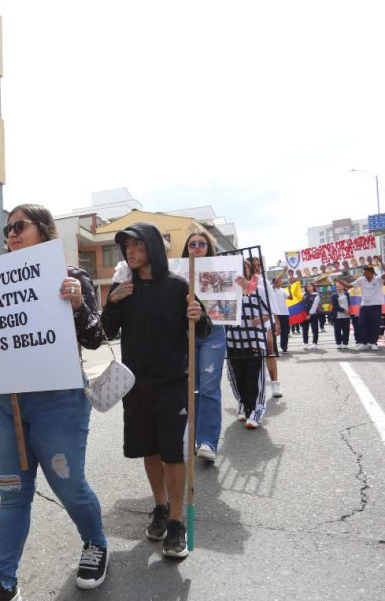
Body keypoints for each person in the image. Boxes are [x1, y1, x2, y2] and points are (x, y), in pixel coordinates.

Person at [0, 206, 110, 601]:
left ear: (44, 232)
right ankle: (3, 582)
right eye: (7, 229)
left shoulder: (70, 275)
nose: (11, 234)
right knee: (12, 493)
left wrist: (78, 304)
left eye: (20, 227)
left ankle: (96, 543)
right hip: (7, 404)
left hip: (59, 401)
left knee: (69, 484)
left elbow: (97, 337)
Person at [101, 222, 204, 559]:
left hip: (172, 383)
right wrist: (113, 301)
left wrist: (198, 316)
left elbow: (202, 328)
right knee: (149, 450)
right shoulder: (124, 287)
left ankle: (176, 522)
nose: (130, 252)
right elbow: (104, 332)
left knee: (173, 453)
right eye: (126, 247)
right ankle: (160, 507)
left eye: (137, 246)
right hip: (135, 386)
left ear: (153, 248)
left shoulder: (177, 286)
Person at [181, 231, 227, 464]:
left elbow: (230, 303)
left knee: (209, 387)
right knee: (193, 390)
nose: (196, 247)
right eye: (192, 244)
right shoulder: (178, 273)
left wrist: (239, 286)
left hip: (213, 333)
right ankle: (196, 438)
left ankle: (208, 441)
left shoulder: (222, 271)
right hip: (187, 334)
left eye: (201, 244)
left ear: (209, 248)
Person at [226, 260, 271, 429]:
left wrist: (260, 319)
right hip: (233, 340)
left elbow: (269, 311)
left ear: (248, 269)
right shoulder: (227, 289)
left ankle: (256, 411)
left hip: (254, 339)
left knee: (254, 377)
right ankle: (243, 405)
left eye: (243, 266)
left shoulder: (259, 288)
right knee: (237, 377)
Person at [342, 265, 385, 350]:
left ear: (371, 273)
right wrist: (339, 281)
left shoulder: (378, 279)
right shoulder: (361, 280)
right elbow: (348, 286)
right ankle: (364, 343)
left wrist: (381, 262)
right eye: (363, 273)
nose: (364, 275)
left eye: (365, 273)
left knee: (374, 325)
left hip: (376, 305)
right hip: (364, 305)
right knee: (361, 324)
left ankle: (373, 342)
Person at [271, 275, 291, 354]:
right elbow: (276, 281)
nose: (281, 282)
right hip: (275, 313)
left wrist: (290, 290)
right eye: (280, 281)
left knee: (285, 331)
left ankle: (284, 347)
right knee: (274, 331)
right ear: (275, 282)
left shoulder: (283, 290)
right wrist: (283, 272)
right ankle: (274, 348)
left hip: (285, 313)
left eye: (282, 281)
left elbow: (290, 298)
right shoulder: (272, 289)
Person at [331, 280, 352, 348]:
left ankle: (345, 343)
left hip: (347, 315)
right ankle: (338, 343)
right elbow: (335, 305)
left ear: (343, 286)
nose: (338, 287)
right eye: (337, 286)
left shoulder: (348, 294)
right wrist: (343, 310)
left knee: (346, 330)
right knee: (337, 330)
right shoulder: (334, 295)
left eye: (339, 285)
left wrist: (349, 311)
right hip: (337, 315)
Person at [301, 282, 320, 349]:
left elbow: (314, 306)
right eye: (307, 286)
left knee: (314, 329)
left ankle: (315, 343)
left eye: (310, 286)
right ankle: (305, 343)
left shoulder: (316, 295)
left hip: (313, 314)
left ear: (313, 287)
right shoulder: (303, 295)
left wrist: (309, 314)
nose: (308, 287)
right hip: (304, 315)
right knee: (305, 330)